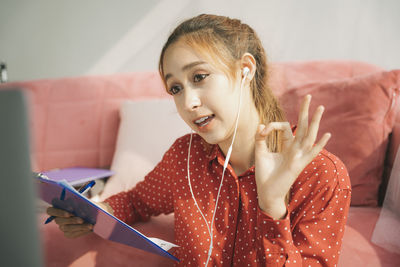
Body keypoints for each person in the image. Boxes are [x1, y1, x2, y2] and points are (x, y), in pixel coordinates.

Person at [47, 14, 351, 266]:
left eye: (199, 77)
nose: (188, 103)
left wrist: (272, 207)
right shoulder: (185, 157)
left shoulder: (322, 176)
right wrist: (91, 214)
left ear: (245, 70)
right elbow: (136, 201)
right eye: (175, 89)